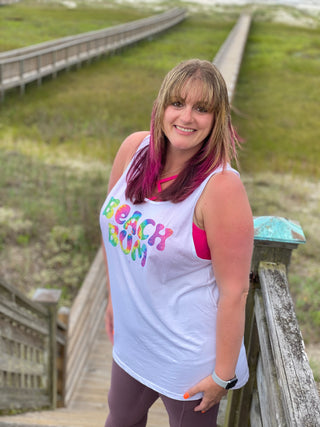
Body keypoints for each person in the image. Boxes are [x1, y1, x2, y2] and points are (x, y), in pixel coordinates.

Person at [100, 58, 254, 427]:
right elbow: (113, 236)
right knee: (120, 419)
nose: (187, 117)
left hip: (189, 357)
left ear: (218, 119)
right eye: (178, 103)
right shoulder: (134, 149)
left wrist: (222, 375)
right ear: (161, 107)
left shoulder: (221, 188)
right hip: (134, 337)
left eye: (202, 108)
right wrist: (112, 298)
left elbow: (235, 291)